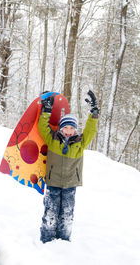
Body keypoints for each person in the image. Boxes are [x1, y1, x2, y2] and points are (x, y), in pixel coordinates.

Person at [38, 90, 99, 243]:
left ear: (75, 130)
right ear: (60, 128)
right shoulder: (53, 140)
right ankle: (47, 238)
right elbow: (42, 127)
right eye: (65, 128)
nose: (68, 131)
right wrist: (46, 109)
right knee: (51, 212)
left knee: (67, 213)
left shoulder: (80, 143)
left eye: (71, 129)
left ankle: (64, 240)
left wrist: (94, 113)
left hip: (71, 184)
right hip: (53, 183)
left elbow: (90, 131)